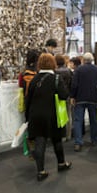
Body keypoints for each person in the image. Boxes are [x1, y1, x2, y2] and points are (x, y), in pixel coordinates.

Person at [25, 53, 71, 181]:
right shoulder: (56, 78)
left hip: (36, 115)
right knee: (57, 140)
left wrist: (27, 117)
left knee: (40, 142)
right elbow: (64, 95)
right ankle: (61, 164)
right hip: (53, 114)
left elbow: (28, 99)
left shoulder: (34, 79)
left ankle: (41, 171)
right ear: (53, 64)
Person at [71, 52, 97, 152]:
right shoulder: (96, 69)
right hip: (92, 98)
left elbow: (74, 84)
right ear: (92, 60)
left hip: (80, 98)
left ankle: (78, 142)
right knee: (94, 120)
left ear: (83, 60)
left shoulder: (78, 70)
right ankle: (94, 139)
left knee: (78, 121)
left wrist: (73, 96)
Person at [55, 54, 73, 140]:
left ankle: (60, 134)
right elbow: (72, 84)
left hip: (57, 96)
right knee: (68, 115)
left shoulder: (55, 72)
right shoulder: (69, 71)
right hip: (67, 95)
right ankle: (68, 134)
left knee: (59, 115)